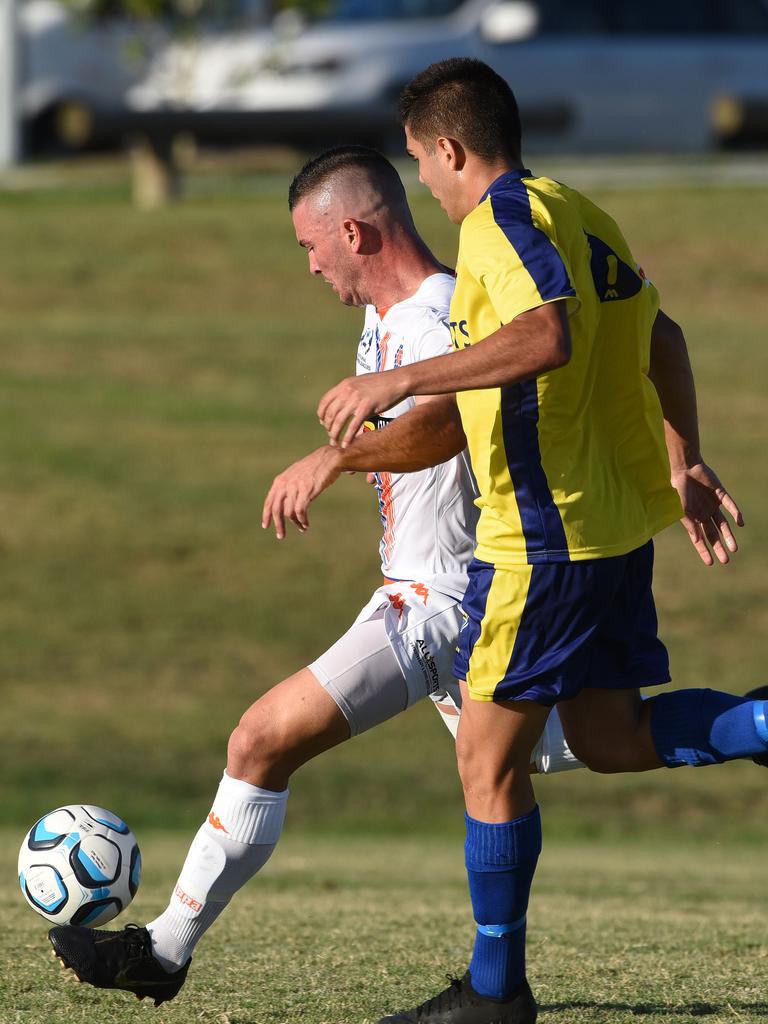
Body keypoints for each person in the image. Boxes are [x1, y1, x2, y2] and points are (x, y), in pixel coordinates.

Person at [46, 146, 583, 1008]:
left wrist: (339, 458)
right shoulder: (386, 319)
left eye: (310, 246)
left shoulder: (435, 310)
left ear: (354, 230)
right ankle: (752, 722)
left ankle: (165, 950)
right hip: (440, 601)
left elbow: (446, 425)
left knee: (260, 739)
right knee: (591, 745)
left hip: (441, 600)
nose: (309, 266)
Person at [316, 60, 756, 1024]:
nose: (422, 185)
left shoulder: (499, 225)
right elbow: (664, 337)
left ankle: (494, 993)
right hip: (609, 527)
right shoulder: (581, 211)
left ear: (450, 148)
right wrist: (683, 461)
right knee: (609, 736)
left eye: (421, 165)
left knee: (486, 758)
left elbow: (546, 336)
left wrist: (403, 379)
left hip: (543, 536)